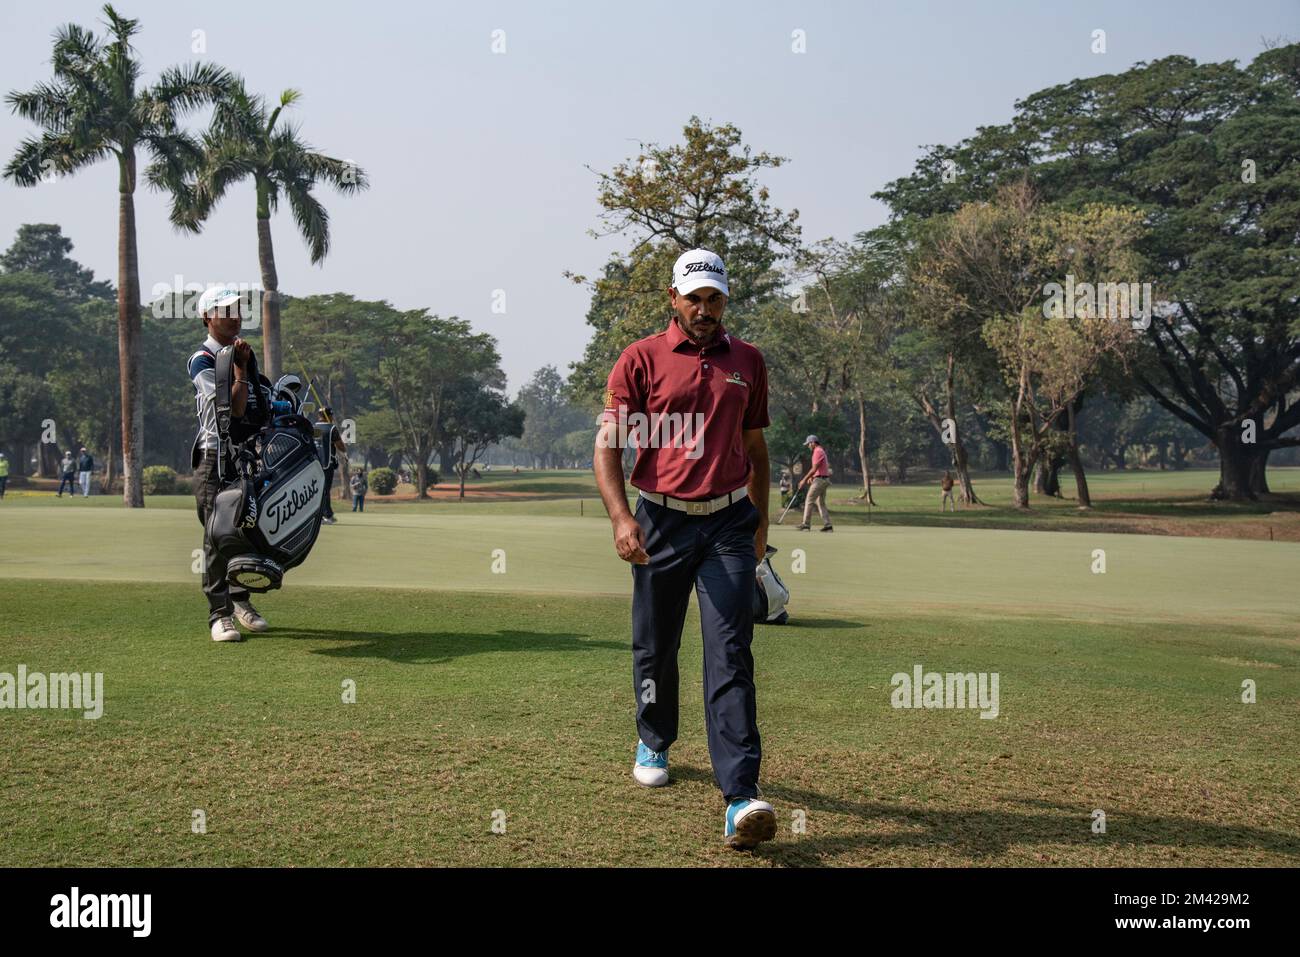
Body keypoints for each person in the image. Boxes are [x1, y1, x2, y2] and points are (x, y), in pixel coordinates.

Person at [594, 247, 776, 850]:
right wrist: (622, 518)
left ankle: (741, 796)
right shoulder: (640, 359)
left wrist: (761, 526)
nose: (705, 309)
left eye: (715, 298)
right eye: (694, 298)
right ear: (673, 298)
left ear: (725, 300)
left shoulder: (747, 361)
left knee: (730, 651)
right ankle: (654, 735)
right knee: (656, 646)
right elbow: (608, 449)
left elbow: (755, 450)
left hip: (727, 525)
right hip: (660, 524)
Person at [187, 286, 270, 643]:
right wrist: (239, 370)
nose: (234, 316)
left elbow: (258, 405)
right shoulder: (202, 359)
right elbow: (232, 408)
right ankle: (218, 615)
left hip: (244, 458)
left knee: (246, 532)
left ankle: (239, 601)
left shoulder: (243, 355)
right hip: (213, 458)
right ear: (208, 318)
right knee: (216, 537)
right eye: (225, 312)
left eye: (236, 310)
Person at [795, 435, 833, 532]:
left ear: (813, 442)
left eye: (808, 444)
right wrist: (812, 477)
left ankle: (806, 524)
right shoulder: (821, 450)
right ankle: (828, 525)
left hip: (820, 480)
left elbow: (814, 468)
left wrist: (804, 479)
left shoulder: (817, 451)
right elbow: (819, 468)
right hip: (823, 479)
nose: (808, 446)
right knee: (821, 503)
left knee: (809, 500)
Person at [317, 408, 348, 525]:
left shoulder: (312, 427)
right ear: (327, 415)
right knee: (325, 490)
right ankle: (326, 516)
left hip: (313, 465)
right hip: (326, 464)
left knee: (318, 490)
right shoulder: (331, 428)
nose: (332, 418)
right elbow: (339, 444)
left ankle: (322, 515)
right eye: (331, 415)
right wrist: (344, 453)